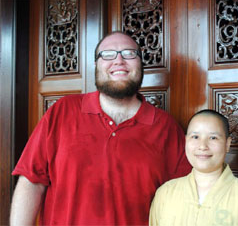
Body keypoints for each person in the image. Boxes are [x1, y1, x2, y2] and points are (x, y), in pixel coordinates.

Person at [10, 31, 191, 225]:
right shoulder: (62, 111)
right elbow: (31, 181)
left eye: (129, 53)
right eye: (108, 54)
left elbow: (184, 199)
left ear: (141, 64)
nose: (119, 60)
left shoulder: (166, 128)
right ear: (96, 65)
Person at [149, 109, 238, 226]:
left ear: (227, 144)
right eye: (195, 137)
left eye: (213, 138)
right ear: (186, 141)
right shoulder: (165, 193)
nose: (202, 146)